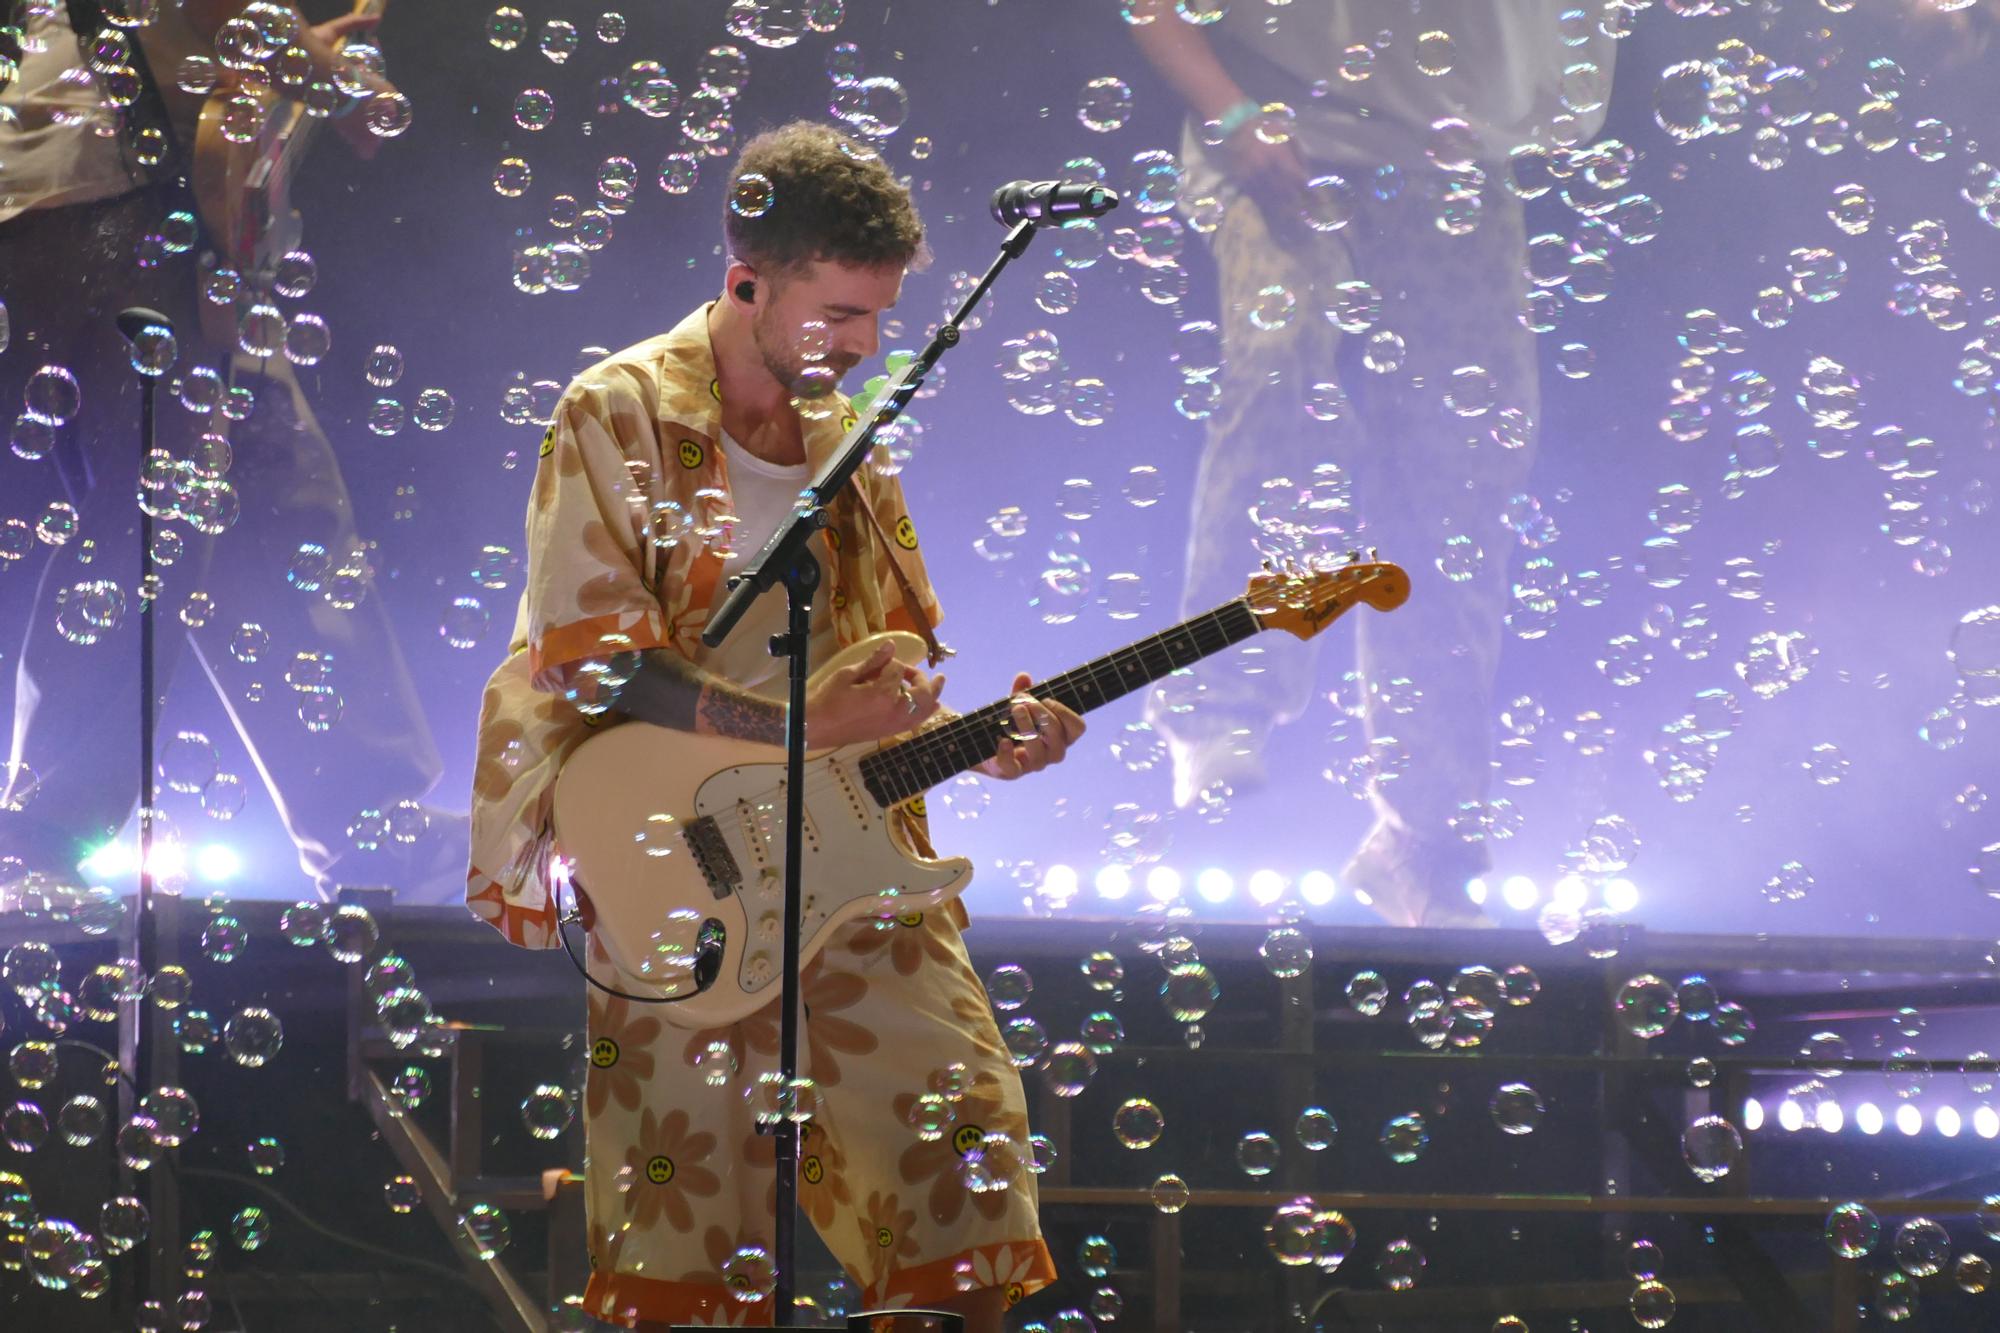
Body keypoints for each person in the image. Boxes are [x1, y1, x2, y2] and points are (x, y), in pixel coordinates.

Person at [466, 121, 1083, 1330]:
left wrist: (983, 738)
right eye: (837, 314)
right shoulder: (619, 407)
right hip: (660, 852)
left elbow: (884, 680)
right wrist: (792, 727)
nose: (862, 347)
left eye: (876, 317)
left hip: (844, 852)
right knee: (687, 1215)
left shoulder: (851, 448)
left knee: (965, 1136)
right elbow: (594, 666)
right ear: (747, 280)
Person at [1132, 1, 1616, 927]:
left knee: (1459, 471)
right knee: (1281, 376)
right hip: (1281, 140)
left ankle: (1426, 833)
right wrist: (1233, 117)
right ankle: (1222, 702)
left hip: (1457, 165)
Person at [0, 0, 459, 903]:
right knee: (161, 502)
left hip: (117, 208)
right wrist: (331, 77)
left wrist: (301, 56)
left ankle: (373, 830)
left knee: (273, 489)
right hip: (107, 201)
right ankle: (45, 834)